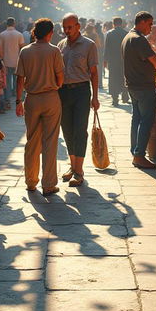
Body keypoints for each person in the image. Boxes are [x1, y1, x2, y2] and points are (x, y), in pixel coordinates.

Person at [15, 18, 65, 196]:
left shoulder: (25, 51)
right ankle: (49, 183)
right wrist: (55, 85)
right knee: (50, 141)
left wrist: (18, 101)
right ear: (50, 33)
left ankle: (31, 181)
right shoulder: (54, 51)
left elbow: (20, 79)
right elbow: (60, 77)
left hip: (32, 99)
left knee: (32, 141)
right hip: (51, 97)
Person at [58, 13, 100, 187]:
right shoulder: (61, 45)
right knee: (66, 129)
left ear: (78, 26)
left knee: (80, 130)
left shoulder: (89, 45)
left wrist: (95, 97)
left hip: (82, 91)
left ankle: (79, 170)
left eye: (70, 27)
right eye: (64, 28)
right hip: (63, 92)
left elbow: (94, 73)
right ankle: (72, 165)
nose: (67, 31)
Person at [122, 11, 156, 170]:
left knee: (137, 119)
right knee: (146, 120)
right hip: (143, 86)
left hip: (133, 85)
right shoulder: (139, 40)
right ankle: (139, 156)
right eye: (150, 24)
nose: (151, 28)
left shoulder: (128, 37)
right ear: (142, 22)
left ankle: (135, 152)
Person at [0, 17, 25, 109]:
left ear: (7, 24)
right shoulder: (19, 34)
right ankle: (18, 98)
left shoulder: (2, 35)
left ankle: (8, 100)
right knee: (17, 80)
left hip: (5, 61)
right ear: (14, 24)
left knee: (8, 82)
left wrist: (1, 59)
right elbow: (22, 48)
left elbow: (0, 48)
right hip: (17, 61)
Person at [103, 17, 128, 105]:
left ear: (113, 24)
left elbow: (106, 48)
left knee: (113, 78)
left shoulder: (109, 34)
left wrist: (105, 60)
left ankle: (115, 98)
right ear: (121, 24)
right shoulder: (126, 33)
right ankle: (125, 96)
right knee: (124, 77)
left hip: (113, 60)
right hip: (123, 59)